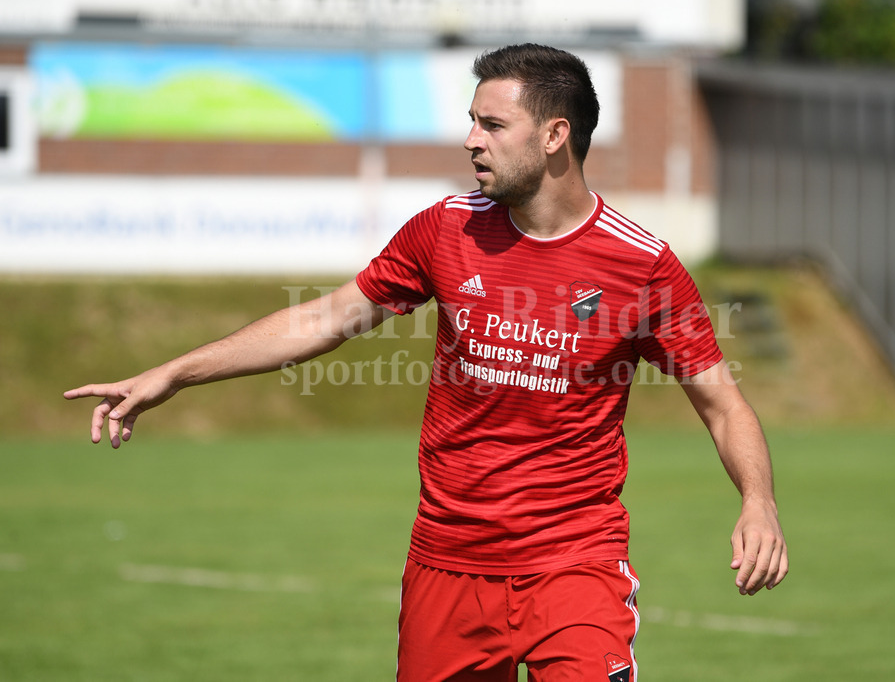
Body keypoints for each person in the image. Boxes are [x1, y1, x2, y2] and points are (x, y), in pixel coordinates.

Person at [65, 43, 787, 681]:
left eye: (492, 125)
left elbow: (722, 403)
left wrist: (758, 501)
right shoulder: (443, 229)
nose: (471, 141)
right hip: (447, 562)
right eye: (471, 121)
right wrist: (174, 372)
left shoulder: (642, 264)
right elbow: (323, 318)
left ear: (555, 134)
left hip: (575, 561)